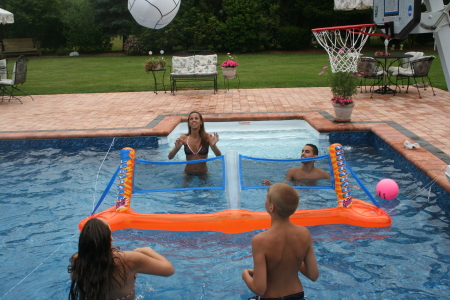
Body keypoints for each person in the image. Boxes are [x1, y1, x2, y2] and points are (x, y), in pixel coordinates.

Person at [242, 183, 319, 300]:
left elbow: (259, 289)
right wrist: (292, 261)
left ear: (272, 207)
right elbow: (313, 275)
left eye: (266, 198)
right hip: (298, 296)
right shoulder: (304, 233)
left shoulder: (260, 240)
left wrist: (245, 275)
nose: (265, 201)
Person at [68, 218, 174, 300]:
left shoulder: (77, 260)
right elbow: (169, 270)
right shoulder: (129, 259)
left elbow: (74, 278)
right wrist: (148, 250)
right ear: (110, 238)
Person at [262, 144, 330, 186]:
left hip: (314, 196)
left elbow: (334, 185)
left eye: (307, 152)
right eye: (302, 151)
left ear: (315, 156)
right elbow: (284, 185)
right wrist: (271, 185)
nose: (303, 153)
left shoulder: (322, 174)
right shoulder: (293, 171)